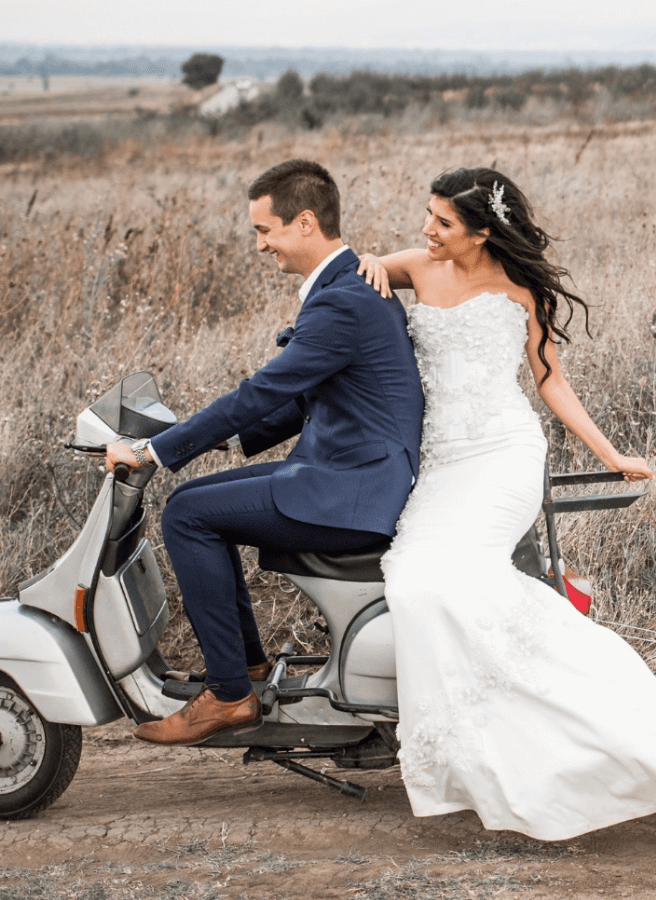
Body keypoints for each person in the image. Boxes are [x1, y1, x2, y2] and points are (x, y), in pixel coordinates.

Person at [357, 167, 656, 841]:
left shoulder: (521, 291)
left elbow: (551, 382)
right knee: (412, 581)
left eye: (443, 222)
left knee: (457, 581)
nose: (426, 229)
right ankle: (486, 744)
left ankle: (590, 723)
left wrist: (611, 453)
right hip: (441, 463)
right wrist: (371, 261)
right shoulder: (417, 266)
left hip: (502, 456)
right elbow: (357, 268)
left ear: (482, 233)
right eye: (428, 214)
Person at [105, 159, 423, 746]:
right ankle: (245, 670)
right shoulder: (346, 287)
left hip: (354, 490)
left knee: (186, 514)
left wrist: (153, 452)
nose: (259, 245)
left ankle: (230, 696)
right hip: (350, 472)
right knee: (193, 500)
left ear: (305, 223)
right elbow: (304, 398)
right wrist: (219, 438)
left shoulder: (342, 300)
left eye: (264, 230)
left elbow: (263, 392)